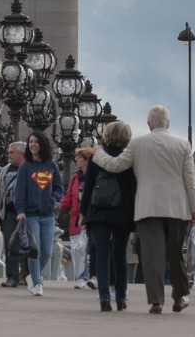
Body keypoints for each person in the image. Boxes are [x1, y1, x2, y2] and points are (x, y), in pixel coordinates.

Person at [92, 104, 195, 315]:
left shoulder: (138, 143)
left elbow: (115, 165)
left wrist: (98, 154)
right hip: (177, 206)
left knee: (152, 255)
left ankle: (156, 301)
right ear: (168, 123)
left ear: (148, 124)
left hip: (148, 206)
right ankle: (180, 296)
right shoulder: (182, 144)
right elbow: (190, 179)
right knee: (176, 252)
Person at [79, 120, 138, 311]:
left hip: (98, 210)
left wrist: (82, 212)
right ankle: (120, 297)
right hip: (122, 211)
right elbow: (134, 188)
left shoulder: (97, 156)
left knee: (102, 254)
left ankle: (104, 296)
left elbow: (87, 186)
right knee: (119, 255)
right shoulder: (129, 158)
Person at [14, 129, 63, 297]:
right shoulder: (25, 167)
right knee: (35, 250)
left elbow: (58, 188)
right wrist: (20, 210)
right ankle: (36, 283)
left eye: (36, 141)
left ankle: (31, 275)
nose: (33, 144)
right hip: (31, 215)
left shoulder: (52, 166)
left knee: (47, 252)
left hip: (48, 215)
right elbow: (19, 191)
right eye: (30, 142)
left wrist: (54, 199)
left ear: (42, 144)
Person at [0, 140, 28, 287]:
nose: (8, 155)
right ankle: (12, 277)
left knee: (26, 245)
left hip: (26, 212)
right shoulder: (5, 169)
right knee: (10, 245)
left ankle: (27, 276)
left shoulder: (29, 168)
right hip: (9, 213)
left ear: (21, 153)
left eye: (11, 152)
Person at [58, 145, 95, 289]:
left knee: (90, 249)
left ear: (86, 161)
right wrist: (59, 205)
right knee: (77, 249)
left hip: (90, 218)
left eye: (79, 157)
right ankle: (81, 277)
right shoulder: (75, 178)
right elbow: (68, 197)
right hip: (76, 219)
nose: (76, 160)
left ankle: (93, 276)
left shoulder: (94, 177)